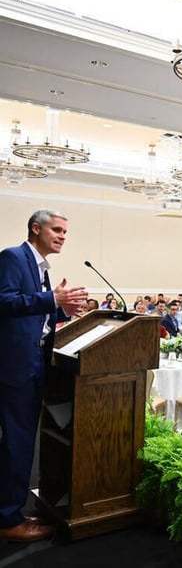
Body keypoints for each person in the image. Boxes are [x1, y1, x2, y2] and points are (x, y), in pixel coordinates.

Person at [0, 209, 87, 541]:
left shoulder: (41, 268)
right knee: (18, 444)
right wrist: (51, 299)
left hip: (34, 363)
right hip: (16, 367)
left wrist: (60, 309)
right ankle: (8, 521)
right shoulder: (13, 257)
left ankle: (10, 511)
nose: (63, 236)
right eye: (57, 229)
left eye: (65, 231)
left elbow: (31, 314)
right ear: (36, 228)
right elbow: (4, 302)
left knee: (20, 444)